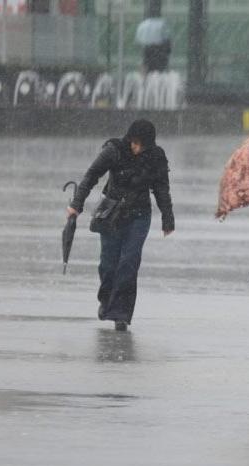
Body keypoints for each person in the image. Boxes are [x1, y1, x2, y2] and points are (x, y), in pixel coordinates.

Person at [66, 119, 174, 332]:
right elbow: (91, 175)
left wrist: (167, 218)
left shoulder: (156, 157)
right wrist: (76, 205)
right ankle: (106, 300)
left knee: (129, 263)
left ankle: (121, 314)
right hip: (111, 214)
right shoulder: (114, 150)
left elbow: (162, 189)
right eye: (134, 143)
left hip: (139, 215)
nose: (136, 148)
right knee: (108, 264)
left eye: (141, 144)